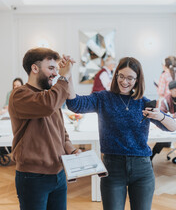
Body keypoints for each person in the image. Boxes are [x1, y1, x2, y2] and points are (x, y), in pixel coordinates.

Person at [61, 56, 176, 210]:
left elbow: (172, 127)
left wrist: (160, 115)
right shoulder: (103, 98)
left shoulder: (143, 103)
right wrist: (67, 76)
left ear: (137, 79)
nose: (124, 81)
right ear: (116, 76)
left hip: (142, 169)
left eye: (130, 78)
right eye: (121, 76)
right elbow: (75, 104)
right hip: (112, 168)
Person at [8, 47, 81, 210]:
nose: (55, 73)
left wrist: (71, 150)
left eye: (56, 68)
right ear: (34, 68)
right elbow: (46, 105)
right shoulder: (19, 95)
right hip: (32, 177)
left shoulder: (51, 96)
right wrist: (64, 75)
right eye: (51, 68)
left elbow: (61, 131)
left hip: (59, 175)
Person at [151, 80, 176, 161]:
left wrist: (172, 115)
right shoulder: (166, 100)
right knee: (163, 140)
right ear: (170, 90)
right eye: (175, 90)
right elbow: (162, 113)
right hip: (170, 125)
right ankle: (151, 156)